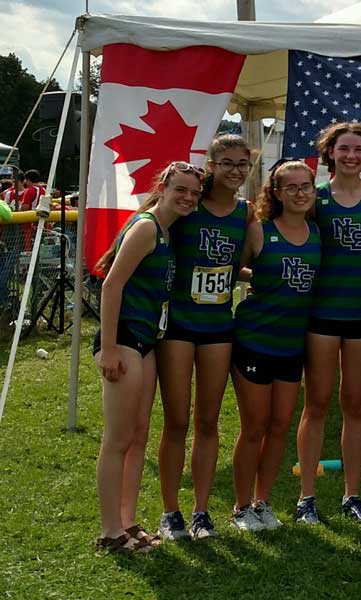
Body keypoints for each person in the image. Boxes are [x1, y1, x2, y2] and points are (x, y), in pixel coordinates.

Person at [92, 161, 200, 552]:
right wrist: (107, 346)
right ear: (164, 187)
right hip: (124, 340)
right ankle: (109, 533)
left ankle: (128, 521)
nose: (188, 198)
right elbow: (111, 286)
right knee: (118, 438)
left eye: (194, 192)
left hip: (147, 339)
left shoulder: (167, 233)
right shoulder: (146, 227)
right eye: (181, 190)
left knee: (138, 436)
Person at [156, 136, 252, 541]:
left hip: (218, 327)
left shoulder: (246, 213)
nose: (234, 170)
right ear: (210, 164)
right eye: (226, 162)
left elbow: (243, 264)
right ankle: (170, 512)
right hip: (178, 325)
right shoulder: (189, 204)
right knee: (177, 420)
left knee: (208, 421)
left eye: (242, 164)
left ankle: (200, 512)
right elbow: (153, 236)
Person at [295, 122, 361, 526]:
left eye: (359, 150)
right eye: (343, 148)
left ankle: (352, 494)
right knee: (316, 404)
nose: (351, 156)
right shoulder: (314, 198)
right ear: (329, 152)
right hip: (322, 315)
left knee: (355, 405)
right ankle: (307, 497)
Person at [229, 160, 321, 532]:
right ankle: (239, 507)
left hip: (292, 345)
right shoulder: (259, 230)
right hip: (254, 340)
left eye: (306, 186)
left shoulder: (317, 231)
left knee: (281, 425)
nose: (300, 193)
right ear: (276, 193)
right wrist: (257, 275)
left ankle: (261, 501)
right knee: (254, 426)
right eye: (292, 187)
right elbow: (232, 266)